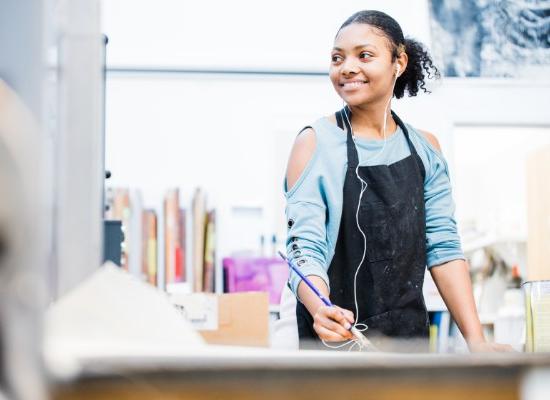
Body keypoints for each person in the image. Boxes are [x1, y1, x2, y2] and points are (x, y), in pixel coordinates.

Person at [283, 10, 511, 352]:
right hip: (333, 341)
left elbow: (444, 250)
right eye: (337, 58)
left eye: (364, 55)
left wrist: (476, 342)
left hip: (408, 341)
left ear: (398, 62)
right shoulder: (315, 143)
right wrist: (320, 308)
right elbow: (305, 248)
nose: (347, 67)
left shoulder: (425, 149)